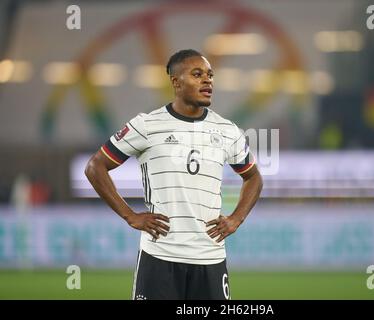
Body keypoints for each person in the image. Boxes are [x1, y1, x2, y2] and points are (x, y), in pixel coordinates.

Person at [85, 49, 263, 300]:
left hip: (210, 258)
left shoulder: (227, 130)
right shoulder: (147, 125)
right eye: (197, 74)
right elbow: (95, 167)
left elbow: (254, 177)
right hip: (160, 257)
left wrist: (236, 218)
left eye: (210, 75)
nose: (208, 81)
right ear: (176, 82)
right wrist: (129, 215)